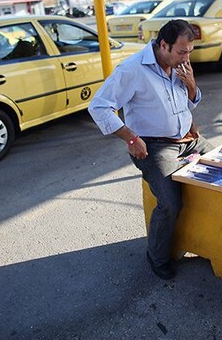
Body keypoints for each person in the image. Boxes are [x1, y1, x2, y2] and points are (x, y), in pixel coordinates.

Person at [88, 19, 215, 280]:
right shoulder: (133, 70)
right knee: (170, 203)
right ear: (163, 44)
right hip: (155, 147)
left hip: (189, 140)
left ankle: (208, 241)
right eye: (181, 52)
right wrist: (130, 138)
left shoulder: (179, 65)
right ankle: (157, 256)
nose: (186, 58)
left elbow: (188, 102)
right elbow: (99, 107)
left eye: (189, 52)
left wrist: (191, 86)